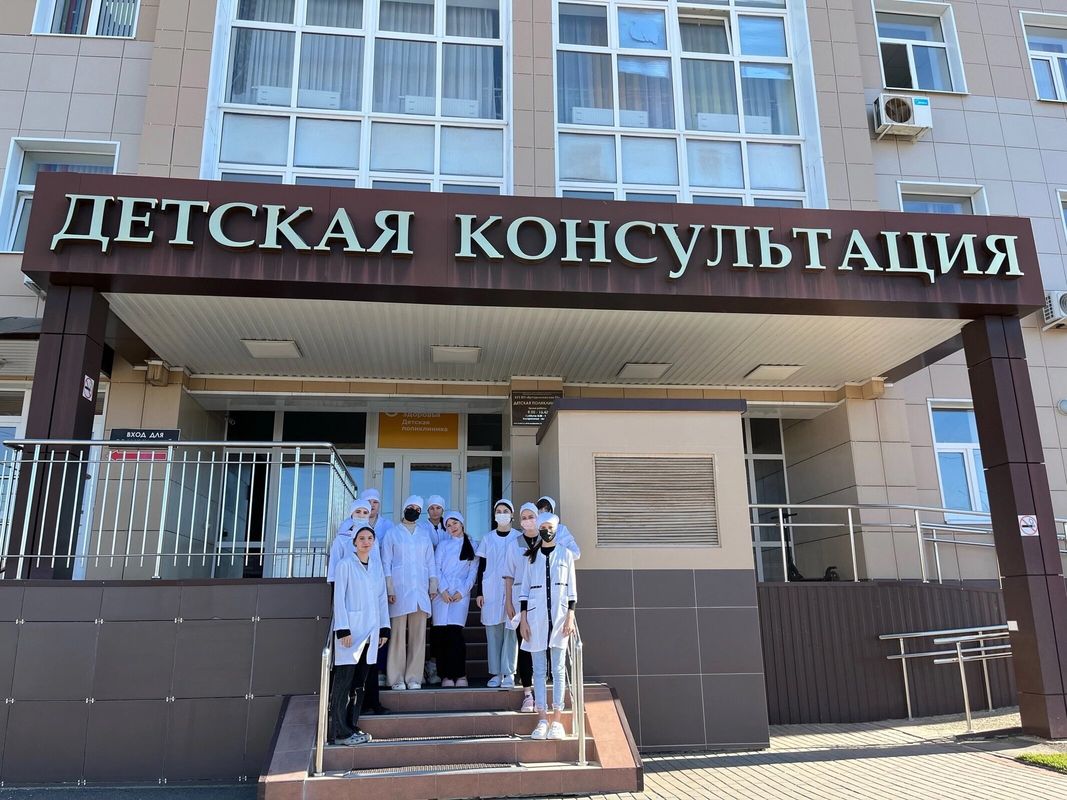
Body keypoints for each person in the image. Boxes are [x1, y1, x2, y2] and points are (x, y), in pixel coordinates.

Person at [518, 512, 577, 741]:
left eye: (550, 527)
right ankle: (542, 719)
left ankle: (557, 720)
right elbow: (524, 591)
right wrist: (523, 619)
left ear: (556, 529)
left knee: (559, 670)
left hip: (560, 618)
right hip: (536, 619)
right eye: (543, 527)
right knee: (539, 670)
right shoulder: (530, 557)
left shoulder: (566, 554)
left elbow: (571, 590)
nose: (546, 531)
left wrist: (570, 615)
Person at [330, 523, 390, 745]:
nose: (366, 542)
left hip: (371, 632)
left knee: (359, 683)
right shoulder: (345, 565)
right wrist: (342, 629)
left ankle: (352, 726)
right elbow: (339, 597)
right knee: (343, 683)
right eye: (362, 538)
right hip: (351, 632)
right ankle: (340, 732)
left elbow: (381, 598)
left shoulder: (376, 567)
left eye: (370, 538)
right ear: (354, 542)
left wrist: (384, 628)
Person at [382, 495, 438, 690]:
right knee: (397, 636)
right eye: (411, 507)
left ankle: (414, 677)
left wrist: (433, 584)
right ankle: (396, 678)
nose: (414, 511)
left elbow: (430, 561)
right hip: (399, 591)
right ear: (404, 508)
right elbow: (386, 563)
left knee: (418, 636)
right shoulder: (392, 533)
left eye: (417, 509)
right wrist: (389, 588)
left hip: (420, 590)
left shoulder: (424, 534)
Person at [475, 499, 520, 689]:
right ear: (494, 516)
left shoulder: (519, 537)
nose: (502, 514)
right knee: (493, 632)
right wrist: (479, 592)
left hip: (513, 590)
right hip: (491, 590)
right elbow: (481, 566)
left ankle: (509, 673)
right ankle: (495, 673)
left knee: (510, 631)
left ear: (512, 514)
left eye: (505, 511)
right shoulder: (487, 538)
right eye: (498, 511)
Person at [431, 511, 478, 687]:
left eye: (455, 523)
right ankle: (446, 676)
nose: (452, 527)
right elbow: (436, 568)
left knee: (455, 635)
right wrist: (442, 590)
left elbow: (472, 573)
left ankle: (460, 675)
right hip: (441, 595)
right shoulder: (443, 545)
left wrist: (462, 592)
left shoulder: (473, 545)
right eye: (448, 525)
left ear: (462, 523)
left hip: (460, 595)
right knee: (441, 635)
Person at [504, 502, 540, 711]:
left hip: (541, 600)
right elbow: (508, 575)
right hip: (519, 600)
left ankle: (541, 693)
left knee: (542, 646)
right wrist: (508, 601)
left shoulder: (546, 541)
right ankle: (527, 693)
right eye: (524, 518)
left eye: (531, 516)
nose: (528, 521)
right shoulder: (514, 544)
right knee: (524, 645)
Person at [536, 496, 581, 560]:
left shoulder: (561, 529)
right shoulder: (532, 529)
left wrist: (557, 551)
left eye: (546, 509)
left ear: (552, 511)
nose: (543, 512)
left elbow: (576, 553)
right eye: (540, 509)